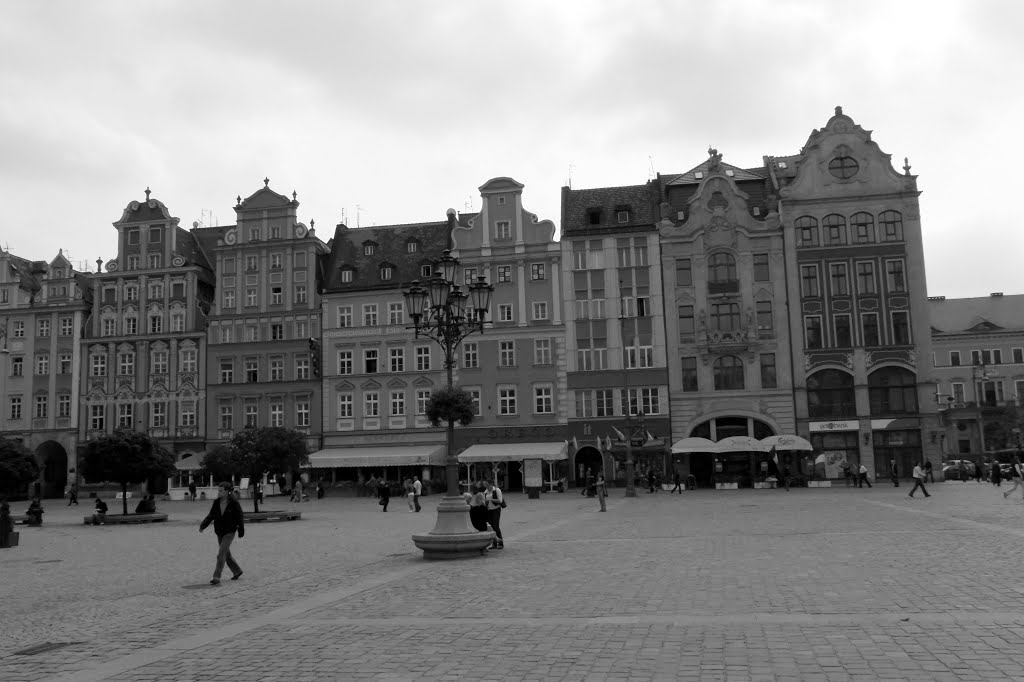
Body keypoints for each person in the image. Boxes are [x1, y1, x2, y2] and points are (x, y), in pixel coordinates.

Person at [199, 482, 245, 585]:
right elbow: (211, 515)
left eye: (221, 490)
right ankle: (237, 571)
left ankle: (216, 577)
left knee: (221, 554)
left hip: (230, 531)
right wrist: (203, 525)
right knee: (226, 554)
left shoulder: (234, 503)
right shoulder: (216, 502)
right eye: (218, 490)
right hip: (219, 531)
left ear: (227, 491)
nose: (219, 492)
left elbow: (239, 516)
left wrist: (241, 529)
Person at [484, 480, 504, 550]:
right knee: (491, 527)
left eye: (487, 485)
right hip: (489, 510)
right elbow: (485, 501)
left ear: (491, 484)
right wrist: (485, 502)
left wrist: (491, 499)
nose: (486, 486)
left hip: (496, 509)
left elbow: (500, 501)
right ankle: (494, 543)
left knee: (496, 526)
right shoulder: (486, 491)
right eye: (485, 485)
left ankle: (501, 543)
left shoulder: (497, 490)